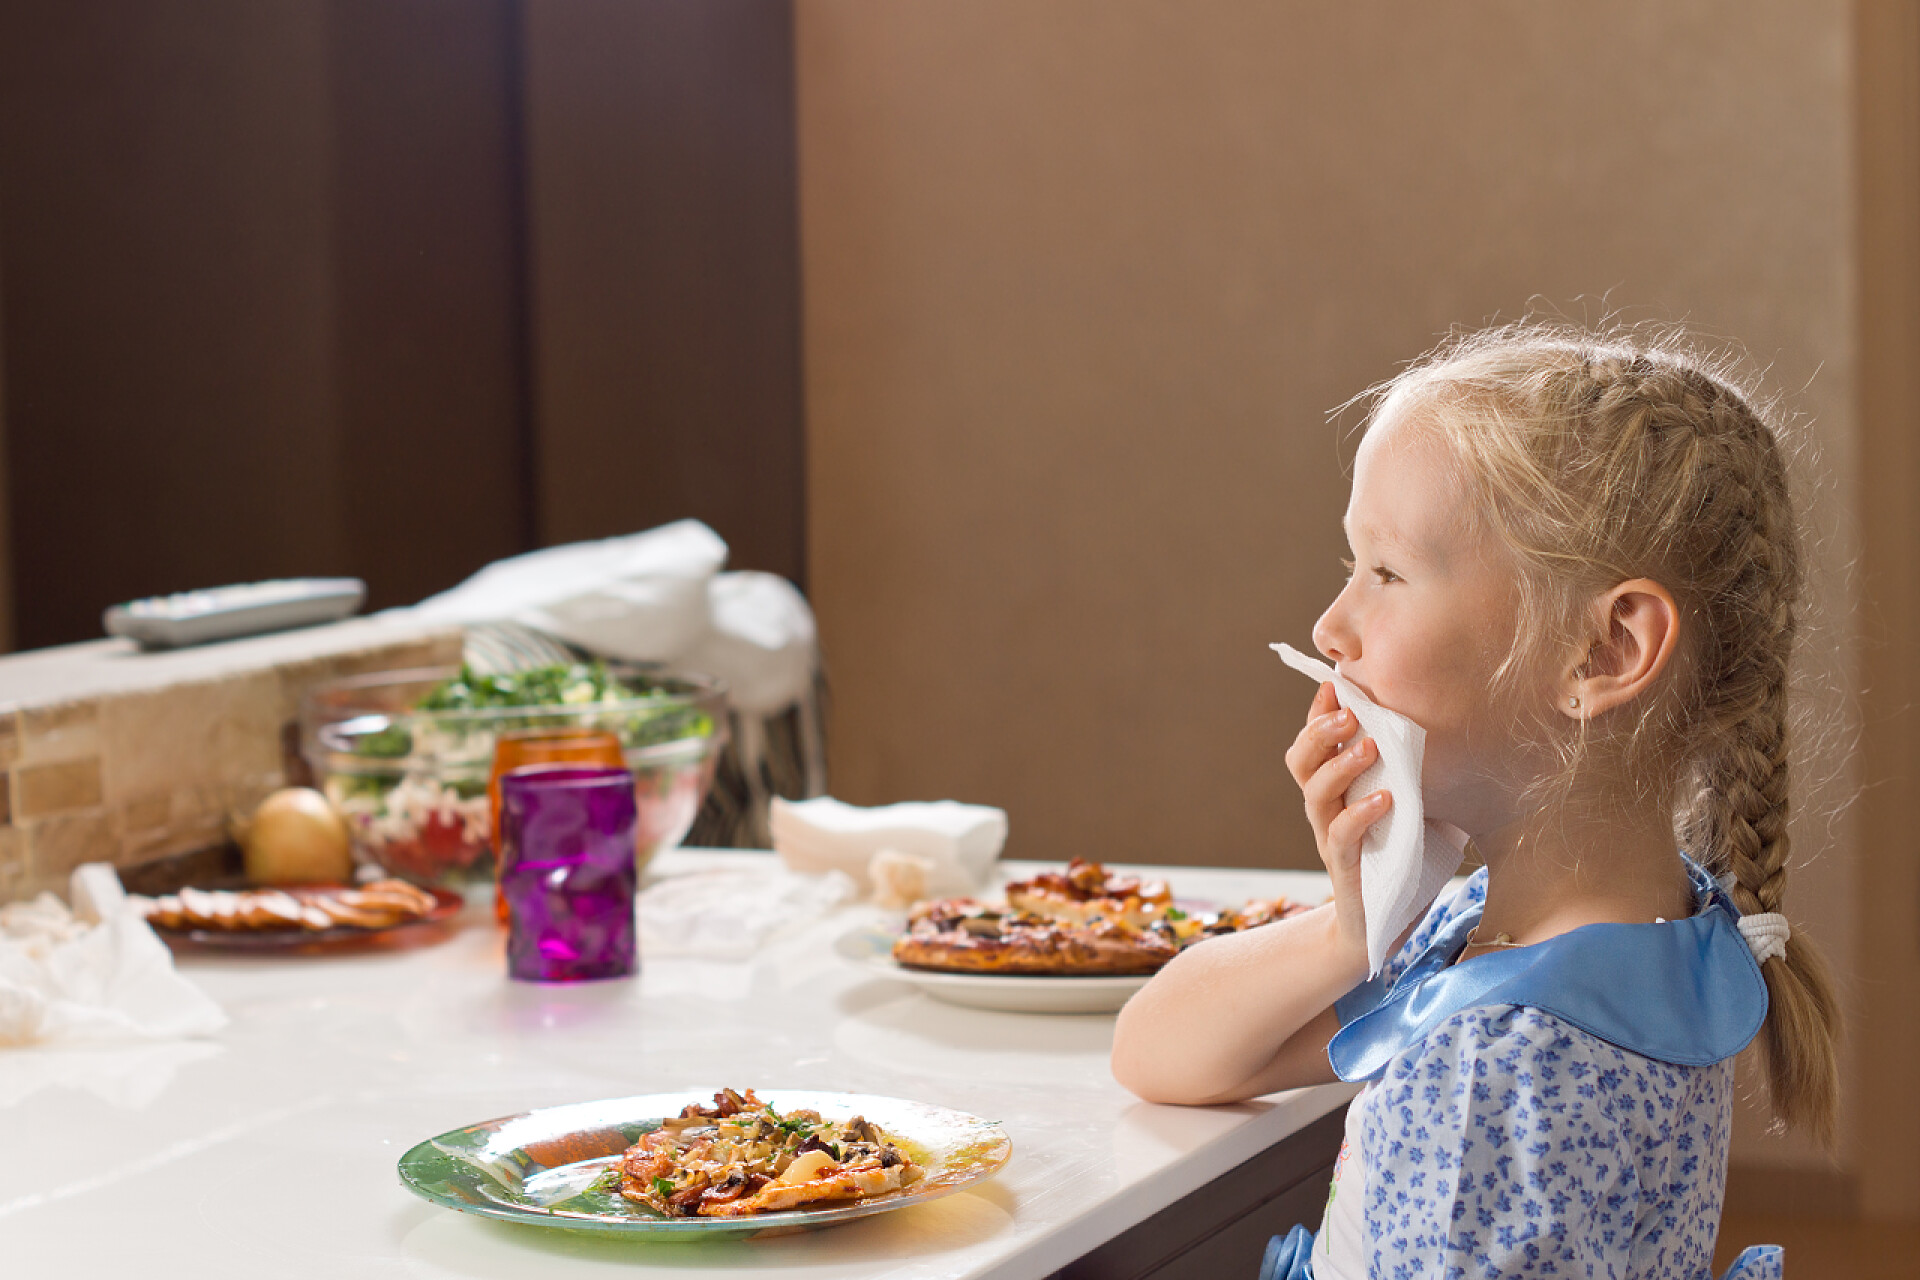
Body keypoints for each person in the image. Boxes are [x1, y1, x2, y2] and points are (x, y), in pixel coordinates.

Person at [1110, 323, 1839, 1280]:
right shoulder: (1608, 937)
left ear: (1606, 652)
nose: (1332, 628)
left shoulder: (1496, 1060)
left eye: (1387, 572)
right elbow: (1162, 1055)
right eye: (1349, 566)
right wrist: (1351, 928)